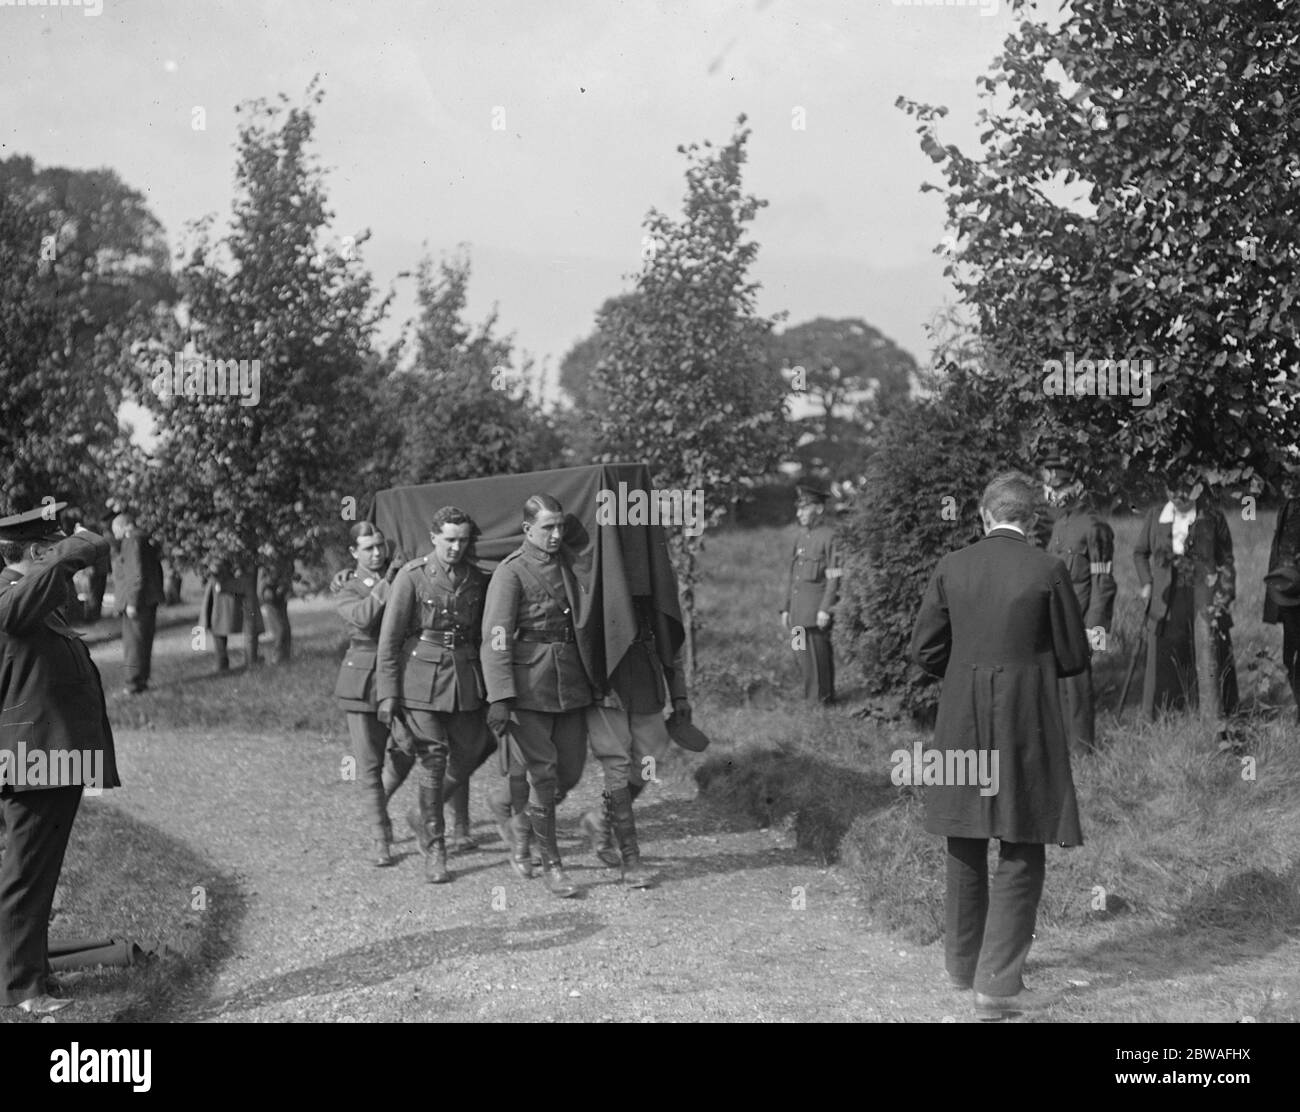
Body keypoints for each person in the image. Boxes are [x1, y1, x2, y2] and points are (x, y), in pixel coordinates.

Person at [910, 472, 1088, 1021]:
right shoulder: (1049, 569)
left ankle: (963, 968)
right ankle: (998, 984)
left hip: (962, 716)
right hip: (1025, 717)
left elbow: (924, 650)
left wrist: (966, 671)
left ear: (984, 517)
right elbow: (1075, 656)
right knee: (1022, 836)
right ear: (1033, 520)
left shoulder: (952, 567)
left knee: (964, 836)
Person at [0, 503, 121, 1015]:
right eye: (49, 550)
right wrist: (74, 546)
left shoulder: (31, 600)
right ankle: (22, 990)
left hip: (51, 762)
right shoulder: (11, 597)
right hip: (35, 763)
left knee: (38, 873)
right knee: (26, 874)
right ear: (37, 553)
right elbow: (88, 546)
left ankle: (32, 973)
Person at [481, 494, 595, 898]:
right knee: (544, 776)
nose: (556, 534)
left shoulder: (571, 562)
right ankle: (554, 865)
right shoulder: (511, 573)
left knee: (570, 772)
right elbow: (495, 637)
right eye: (547, 528)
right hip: (528, 685)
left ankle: (512, 818)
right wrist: (499, 695)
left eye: (560, 526)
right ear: (527, 529)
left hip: (570, 680)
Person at [377, 507, 496, 885]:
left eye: (462, 540)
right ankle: (436, 848)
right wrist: (387, 695)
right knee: (434, 758)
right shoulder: (412, 577)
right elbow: (390, 640)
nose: (456, 547)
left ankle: (420, 814)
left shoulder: (476, 579)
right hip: (419, 680)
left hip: (464, 675)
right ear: (434, 537)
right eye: (449, 540)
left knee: (477, 747)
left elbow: (481, 633)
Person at [581, 595, 690, 887]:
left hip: (645, 676)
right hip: (606, 679)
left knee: (651, 757)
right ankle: (631, 860)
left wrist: (679, 695)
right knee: (617, 764)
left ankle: (601, 818)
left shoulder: (652, 575)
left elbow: (671, 645)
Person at [332, 522, 414, 867]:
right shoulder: (347, 586)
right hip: (363, 679)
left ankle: (378, 802)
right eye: (368, 549)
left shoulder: (402, 574)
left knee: (410, 748)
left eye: (380, 546)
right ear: (354, 553)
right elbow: (364, 618)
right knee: (369, 765)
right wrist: (388, 581)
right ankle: (381, 838)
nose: (377, 553)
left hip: (401, 674)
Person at [1134, 469, 1239, 722]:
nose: (1179, 495)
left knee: (1208, 651)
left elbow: (1226, 560)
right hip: (1167, 600)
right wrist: (1147, 583)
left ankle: (1216, 715)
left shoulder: (1211, 516)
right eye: (1172, 489)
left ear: (1198, 488)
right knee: (1167, 656)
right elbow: (1139, 553)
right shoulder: (1155, 516)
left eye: (1185, 488)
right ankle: (1165, 716)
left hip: (1203, 598)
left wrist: (1224, 594)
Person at [1040, 457, 1117, 753]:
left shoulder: (1095, 527)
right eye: (1051, 487)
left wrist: (1095, 629)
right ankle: (1062, 747)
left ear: (1077, 486)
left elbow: (1104, 582)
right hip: (1057, 617)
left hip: (1082, 620)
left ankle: (1083, 750)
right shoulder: (1060, 524)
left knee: (1079, 687)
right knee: (1058, 685)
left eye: (1058, 487)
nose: (1052, 494)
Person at [781, 480, 842, 704]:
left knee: (818, 658)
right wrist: (786, 608)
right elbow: (793, 575)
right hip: (798, 612)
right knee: (802, 657)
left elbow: (835, 575)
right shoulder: (801, 537)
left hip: (815, 612)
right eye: (798, 508)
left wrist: (826, 608)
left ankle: (822, 700)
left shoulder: (829, 536)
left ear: (818, 508)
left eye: (804, 508)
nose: (800, 513)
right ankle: (810, 697)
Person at [1263, 457, 1300, 722]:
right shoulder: (1285, 507)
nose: (1289, 485)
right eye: (1286, 480)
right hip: (1287, 591)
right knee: (1290, 655)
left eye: (1294, 480)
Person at [111, 513, 164, 696]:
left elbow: (135, 573)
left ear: (124, 526)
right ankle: (142, 679)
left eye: (116, 530)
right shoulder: (145, 539)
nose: (116, 535)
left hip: (138, 601)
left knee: (133, 644)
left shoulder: (131, 541)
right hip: (149, 599)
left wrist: (132, 602)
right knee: (143, 642)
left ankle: (133, 684)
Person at [200, 560, 263, 672]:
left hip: (234, 588)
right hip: (223, 588)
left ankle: (249, 660)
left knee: (223, 623)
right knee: (218, 624)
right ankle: (223, 662)